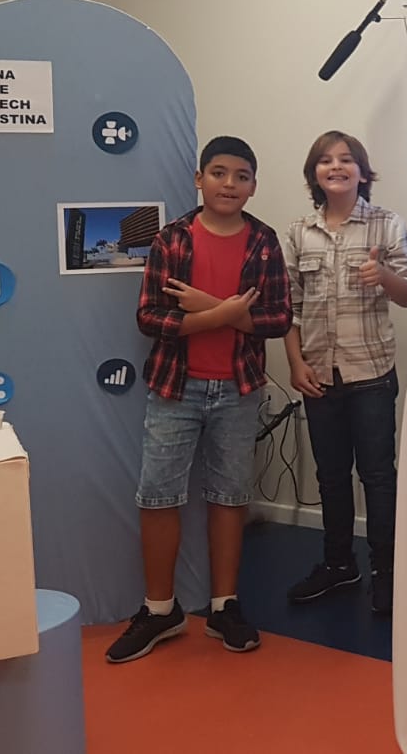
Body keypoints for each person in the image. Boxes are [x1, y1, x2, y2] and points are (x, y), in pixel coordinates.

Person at [106, 135, 292, 663]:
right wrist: (223, 315)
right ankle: (159, 609)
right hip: (175, 387)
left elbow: (279, 318)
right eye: (218, 173)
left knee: (230, 495)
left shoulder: (263, 241)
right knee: (157, 495)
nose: (229, 184)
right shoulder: (172, 239)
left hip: (239, 388)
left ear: (253, 186)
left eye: (241, 176)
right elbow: (150, 318)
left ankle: (223, 606)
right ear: (198, 179)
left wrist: (211, 309)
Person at [282, 131, 407, 615]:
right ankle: (339, 564)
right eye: (325, 160)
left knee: (379, 477)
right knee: (331, 478)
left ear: (362, 172)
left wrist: (383, 277)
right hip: (318, 375)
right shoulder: (298, 232)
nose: (336, 167)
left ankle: (387, 572)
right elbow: (290, 308)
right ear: (314, 174)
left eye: (346, 159)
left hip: (371, 373)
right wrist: (295, 363)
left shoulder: (386, 224)